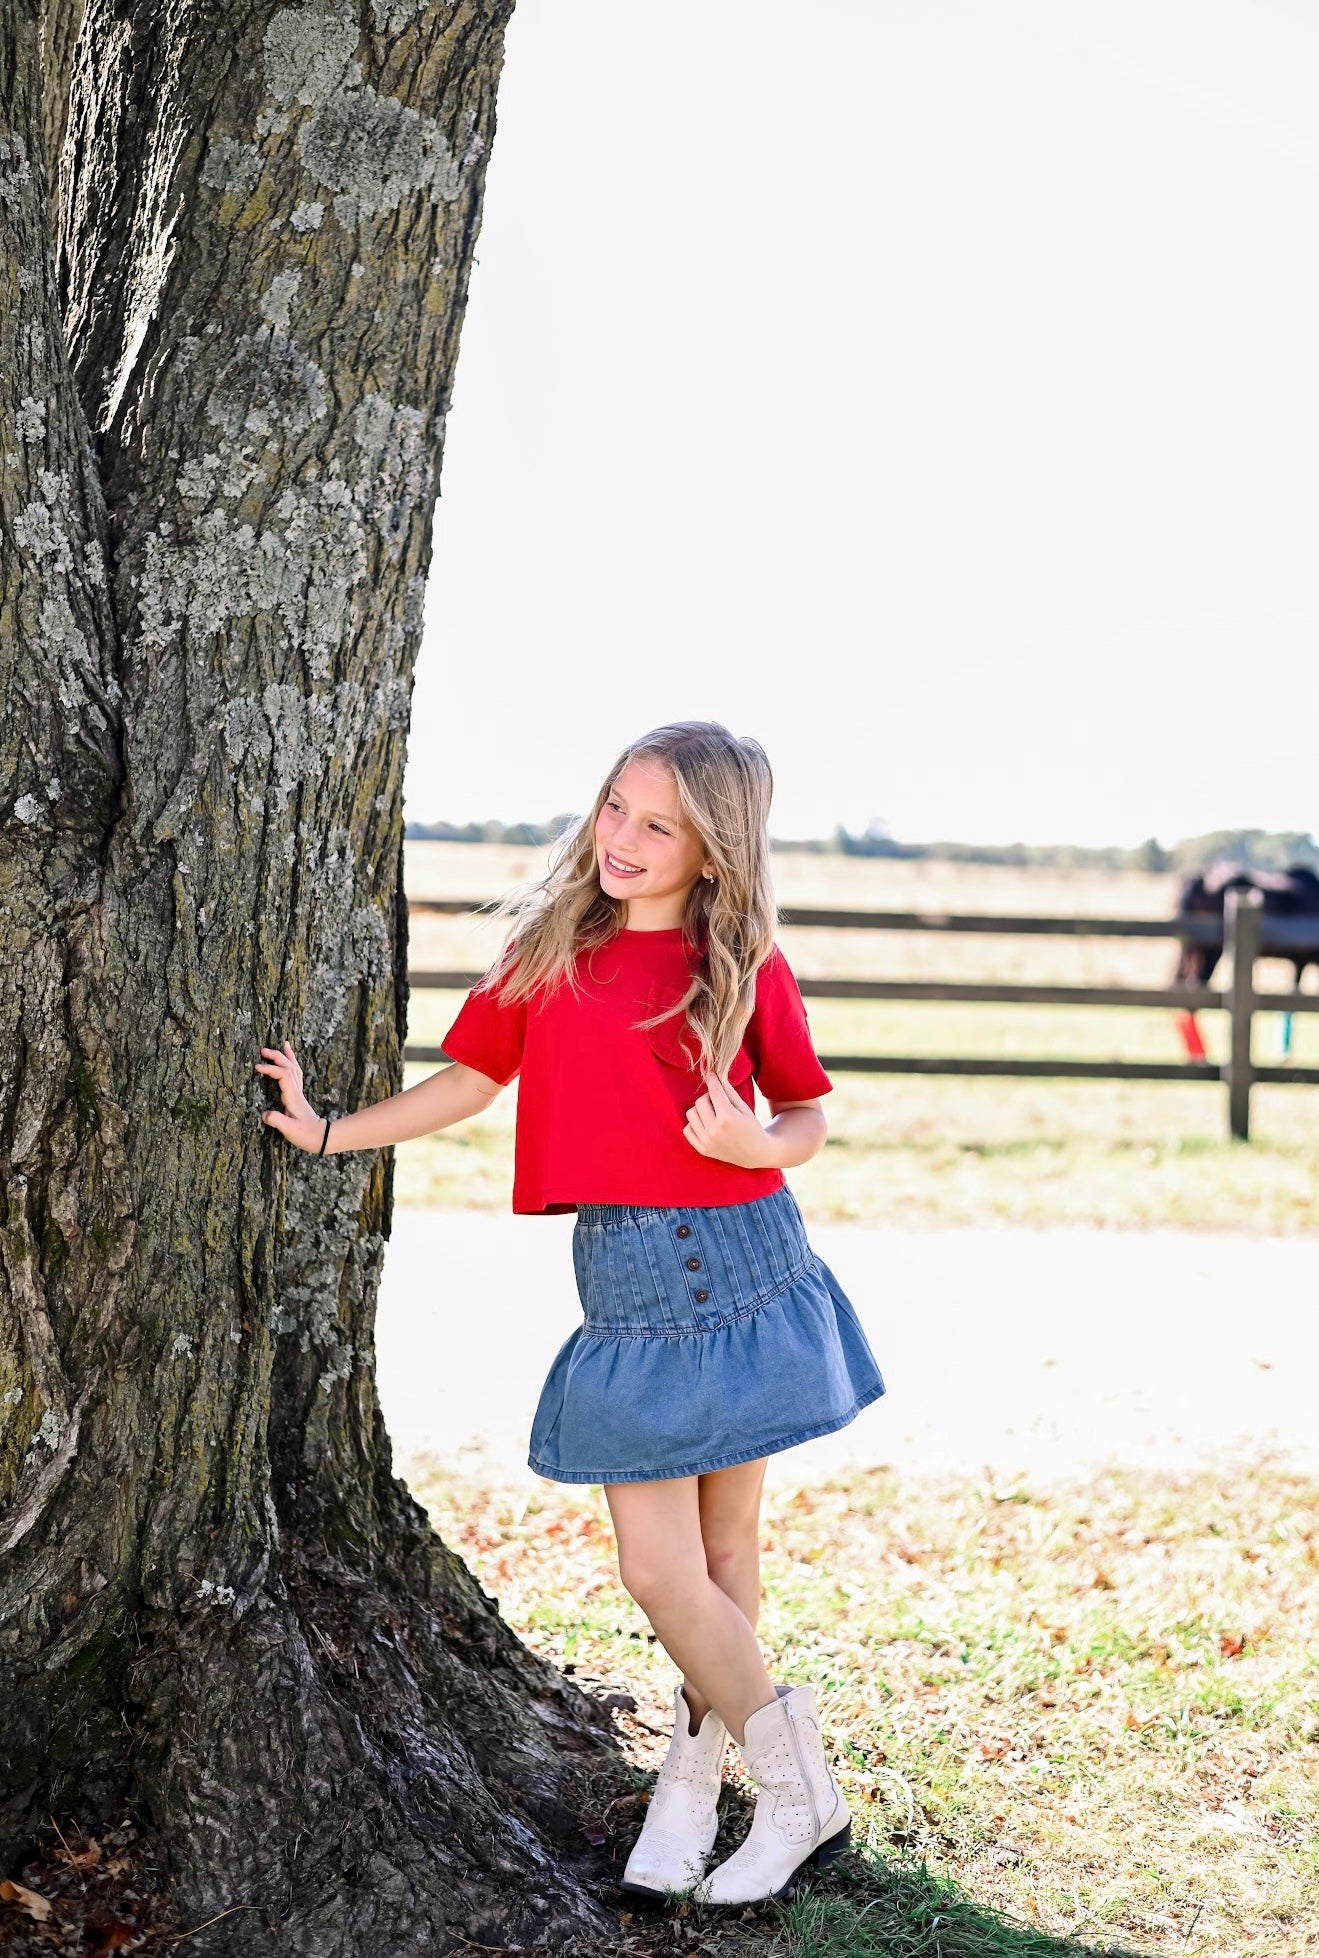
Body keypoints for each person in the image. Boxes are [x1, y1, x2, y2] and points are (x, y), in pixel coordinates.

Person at [256, 720, 886, 1907]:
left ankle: (704, 1777)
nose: (623, 840)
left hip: (744, 1257)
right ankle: (791, 1783)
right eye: (613, 809)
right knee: (660, 1567)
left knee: (716, 1555)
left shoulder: (739, 966)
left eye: (659, 825)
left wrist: (757, 1139)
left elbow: (803, 1113)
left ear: (715, 848)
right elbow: (470, 1081)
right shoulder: (551, 949)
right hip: (627, 1282)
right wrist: (332, 1127)